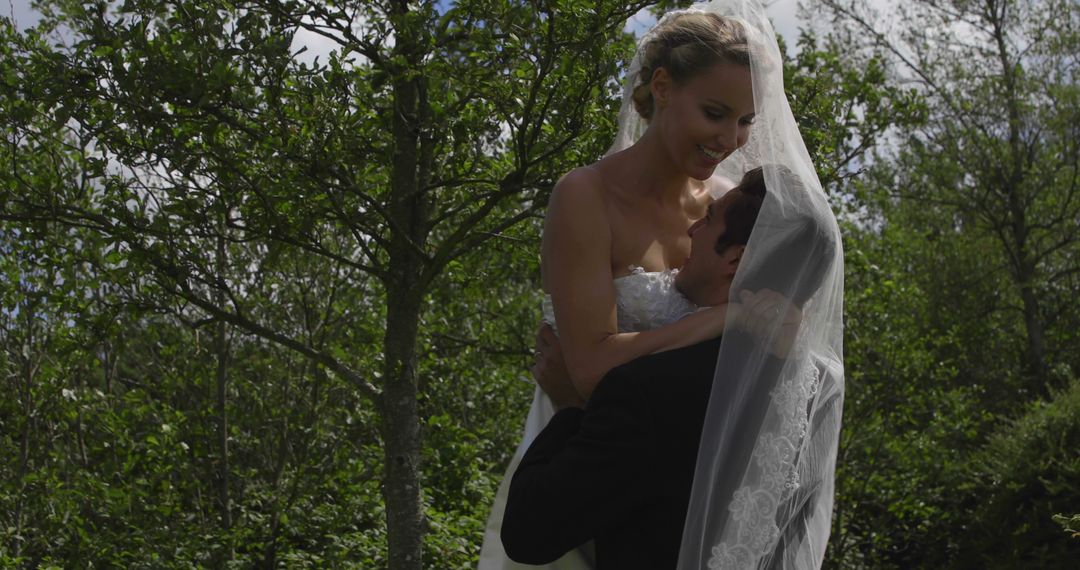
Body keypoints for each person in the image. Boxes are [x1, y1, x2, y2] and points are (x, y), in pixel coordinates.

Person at [478, 10, 757, 569]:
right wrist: (726, 318)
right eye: (715, 113)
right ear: (662, 88)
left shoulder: (728, 207)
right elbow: (587, 370)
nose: (730, 140)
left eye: (746, 121)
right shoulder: (586, 196)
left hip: (680, 474)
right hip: (579, 443)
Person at [501, 165, 839, 569]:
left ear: (736, 260)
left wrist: (573, 406)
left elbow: (527, 534)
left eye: (709, 219)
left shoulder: (645, 391)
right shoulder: (819, 390)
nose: (691, 231)